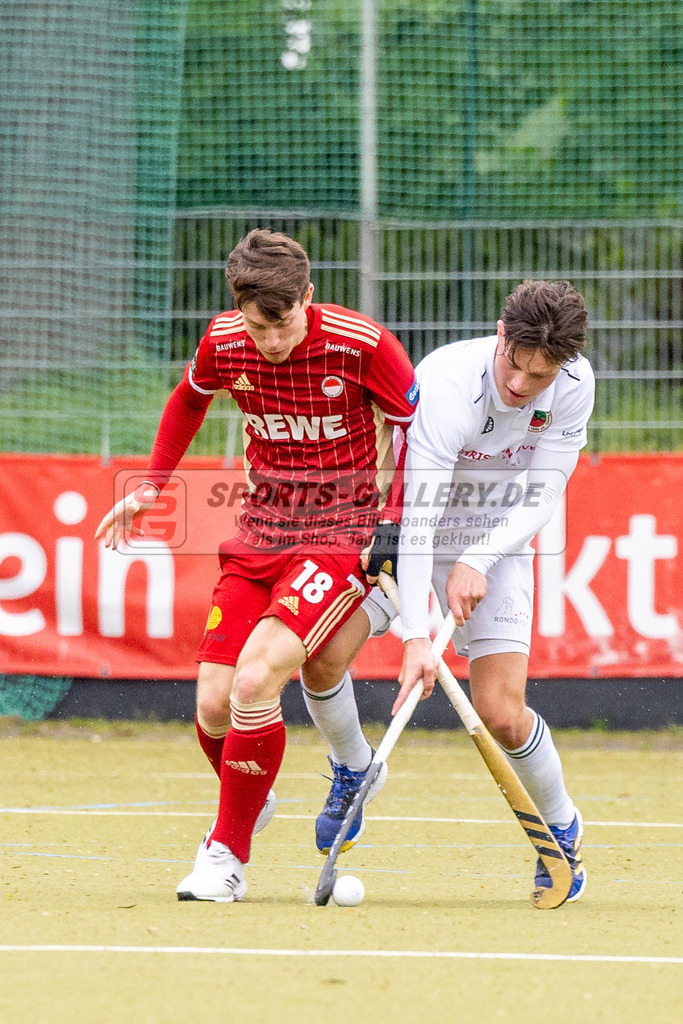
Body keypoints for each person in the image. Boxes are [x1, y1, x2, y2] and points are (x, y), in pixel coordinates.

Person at [95, 228, 418, 902]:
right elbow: (188, 398)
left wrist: (390, 524)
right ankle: (250, 799)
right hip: (259, 534)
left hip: (339, 534)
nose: (272, 342)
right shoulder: (223, 340)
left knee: (253, 682)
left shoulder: (362, 344)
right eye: (258, 327)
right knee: (212, 706)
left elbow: (416, 432)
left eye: (284, 324)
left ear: (308, 296)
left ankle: (225, 858)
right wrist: (151, 486)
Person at [310, 279, 593, 902]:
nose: (521, 386)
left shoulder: (575, 385)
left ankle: (560, 827)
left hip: (496, 535)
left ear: (563, 367)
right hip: (409, 530)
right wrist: (415, 635)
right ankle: (356, 763)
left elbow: (543, 494)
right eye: (514, 366)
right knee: (321, 655)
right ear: (500, 333)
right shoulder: (445, 383)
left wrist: (480, 558)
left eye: (539, 377)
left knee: (502, 713)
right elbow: (420, 520)